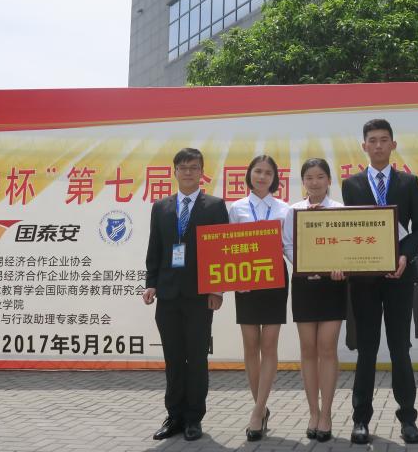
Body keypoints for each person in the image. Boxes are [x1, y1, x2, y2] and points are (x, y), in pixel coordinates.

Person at [341, 119, 418, 445]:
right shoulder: (351, 185)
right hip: (363, 280)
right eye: (372, 140)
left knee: (399, 348)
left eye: (383, 140)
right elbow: (347, 230)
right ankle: (360, 420)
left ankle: (408, 419)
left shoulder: (408, 182)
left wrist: (404, 256)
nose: (378, 145)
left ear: (393, 144)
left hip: (399, 277)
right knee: (366, 349)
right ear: (363, 146)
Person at [142, 147, 229, 442]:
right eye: (183, 167)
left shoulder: (214, 206)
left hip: (200, 295)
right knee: (174, 358)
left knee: (196, 358)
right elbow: (154, 249)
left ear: (202, 172)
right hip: (167, 294)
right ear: (175, 172)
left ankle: (193, 418)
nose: (188, 172)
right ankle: (174, 416)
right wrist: (151, 283)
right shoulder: (161, 207)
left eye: (194, 167)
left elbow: (221, 251)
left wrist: (217, 289)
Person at [282, 158, 345, 443]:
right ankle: (313, 412)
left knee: (327, 347)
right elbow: (287, 244)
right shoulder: (293, 211)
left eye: (320, 177)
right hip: (304, 284)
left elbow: (346, 246)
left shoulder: (340, 211)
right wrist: (305, 264)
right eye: (309, 177)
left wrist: (340, 266)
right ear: (303, 182)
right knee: (308, 349)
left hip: (333, 285)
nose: (315, 182)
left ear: (329, 180)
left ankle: (327, 413)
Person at [228, 154, 291, 441]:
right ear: (249, 174)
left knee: (269, 344)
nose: (262, 176)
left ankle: (256, 413)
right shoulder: (237, 207)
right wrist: (234, 281)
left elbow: (289, 247)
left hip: (275, 279)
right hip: (245, 281)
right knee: (251, 345)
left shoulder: (284, 209)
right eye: (258, 171)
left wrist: (310, 267)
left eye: (268, 172)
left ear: (274, 178)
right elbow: (228, 246)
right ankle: (261, 407)